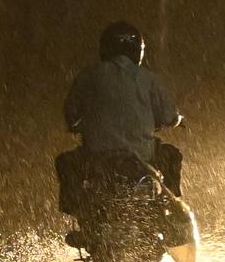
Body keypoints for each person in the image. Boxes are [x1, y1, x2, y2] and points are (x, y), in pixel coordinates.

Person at [56, 21, 183, 217]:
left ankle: (75, 209)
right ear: (138, 51)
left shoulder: (88, 75)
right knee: (172, 155)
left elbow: (71, 112)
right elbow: (168, 116)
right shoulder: (149, 79)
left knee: (65, 162)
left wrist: (76, 125)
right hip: (142, 158)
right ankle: (172, 208)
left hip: (97, 156)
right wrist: (177, 120)